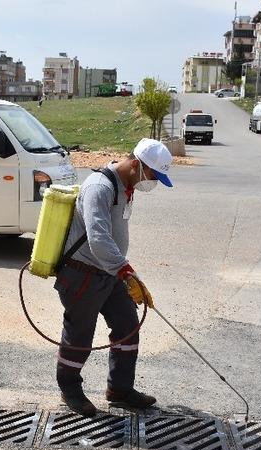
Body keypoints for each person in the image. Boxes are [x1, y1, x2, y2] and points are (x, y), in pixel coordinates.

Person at [54, 138, 174, 417]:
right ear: (135, 165)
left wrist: (123, 272)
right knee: (79, 335)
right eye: (153, 175)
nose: (153, 181)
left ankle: (119, 389)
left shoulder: (126, 186)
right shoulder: (100, 187)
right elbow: (98, 239)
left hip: (108, 273)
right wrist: (126, 271)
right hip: (82, 273)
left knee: (127, 325)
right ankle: (69, 390)